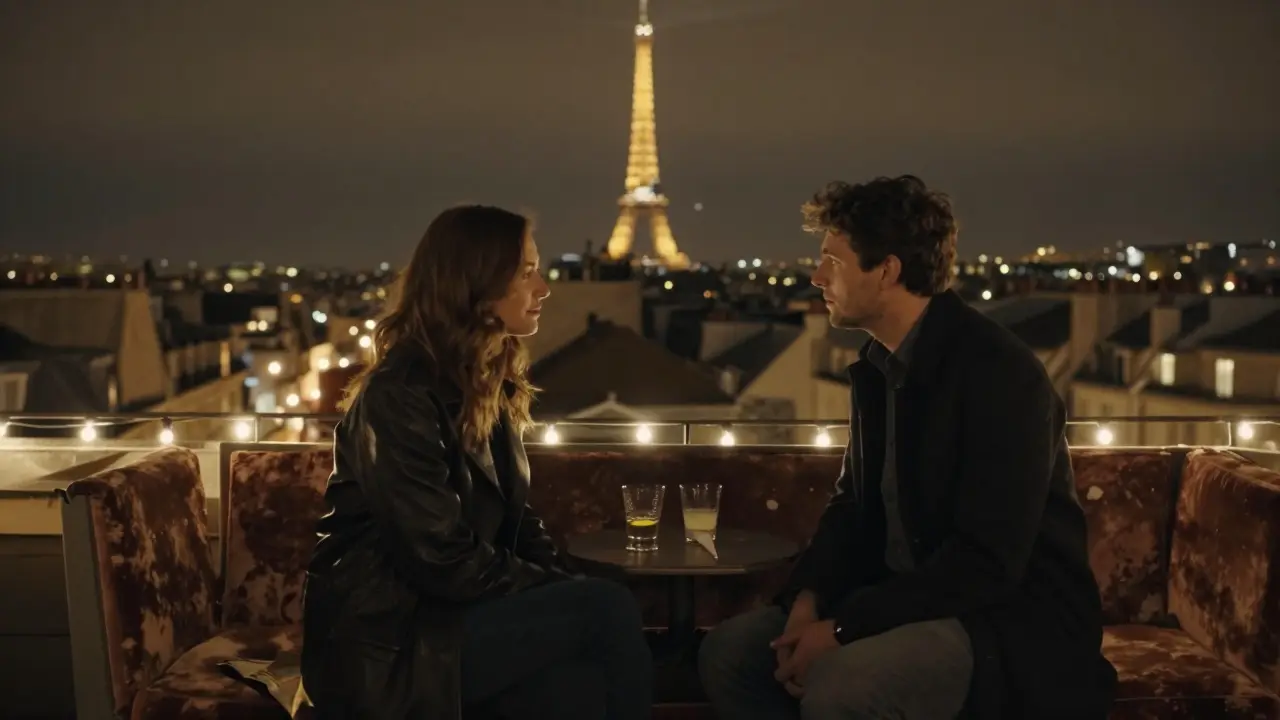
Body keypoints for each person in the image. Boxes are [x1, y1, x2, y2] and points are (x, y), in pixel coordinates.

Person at [698, 176, 1116, 719]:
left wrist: (845, 628)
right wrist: (807, 602)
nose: (816, 275)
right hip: (897, 602)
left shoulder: (999, 374)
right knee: (729, 655)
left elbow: (986, 562)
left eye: (834, 261)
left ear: (888, 270)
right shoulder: (878, 367)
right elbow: (851, 506)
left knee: (846, 688)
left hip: (997, 621)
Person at [301, 205, 652, 720]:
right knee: (605, 609)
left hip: (449, 619)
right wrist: (561, 592)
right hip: (391, 642)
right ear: (479, 283)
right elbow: (439, 555)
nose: (544, 289)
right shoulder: (397, 395)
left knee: (575, 679)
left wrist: (560, 582)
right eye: (527, 272)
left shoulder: (485, 380)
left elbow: (517, 517)